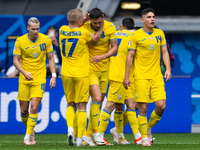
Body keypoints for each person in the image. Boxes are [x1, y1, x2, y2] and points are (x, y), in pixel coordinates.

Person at [123, 8, 171, 146]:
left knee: (161, 106)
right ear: (143, 20)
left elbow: (165, 52)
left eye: (153, 17)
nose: (152, 19)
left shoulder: (159, 33)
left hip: (156, 76)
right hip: (141, 77)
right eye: (149, 17)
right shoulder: (135, 36)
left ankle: (148, 127)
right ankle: (144, 138)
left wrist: (167, 68)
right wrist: (127, 76)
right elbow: (129, 57)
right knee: (143, 107)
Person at [93, 18, 142, 146]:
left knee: (128, 105)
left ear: (121, 26)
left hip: (116, 73)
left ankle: (120, 137)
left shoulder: (114, 33)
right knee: (110, 105)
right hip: (121, 75)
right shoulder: (134, 36)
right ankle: (99, 134)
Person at [59, 9, 103, 146]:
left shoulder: (61, 30)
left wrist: (81, 21)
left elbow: (75, 27)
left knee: (70, 104)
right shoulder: (84, 32)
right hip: (81, 74)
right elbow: (95, 38)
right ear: (79, 21)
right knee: (82, 106)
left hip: (66, 74)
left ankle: (70, 128)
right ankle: (79, 139)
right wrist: (101, 25)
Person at [13, 17, 56, 145]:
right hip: (24, 78)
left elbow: (51, 58)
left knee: (34, 106)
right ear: (28, 28)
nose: (35, 31)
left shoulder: (46, 40)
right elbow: (15, 60)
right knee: (23, 111)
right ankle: (31, 130)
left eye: (37, 29)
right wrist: (24, 72)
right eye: (33, 29)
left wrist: (53, 76)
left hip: (39, 77)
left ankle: (27, 136)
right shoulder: (20, 41)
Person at [82, 7, 118, 146]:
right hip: (90, 69)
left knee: (98, 102)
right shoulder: (84, 26)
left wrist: (102, 57)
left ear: (103, 17)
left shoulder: (110, 27)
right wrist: (84, 19)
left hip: (105, 69)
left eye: (99, 22)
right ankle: (96, 133)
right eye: (95, 23)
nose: (97, 25)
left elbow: (114, 48)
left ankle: (88, 136)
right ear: (90, 19)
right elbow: (73, 28)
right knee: (96, 98)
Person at [109, 26, 143, 145]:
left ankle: (117, 132)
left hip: (134, 78)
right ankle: (136, 136)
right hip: (125, 77)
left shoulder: (135, 41)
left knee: (133, 106)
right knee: (123, 105)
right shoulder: (129, 40)